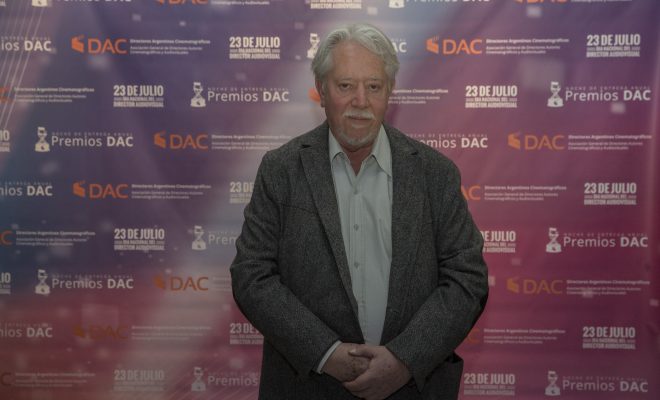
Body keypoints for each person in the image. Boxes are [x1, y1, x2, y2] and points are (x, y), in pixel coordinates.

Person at [231, 22, 488, 400]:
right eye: (346, 85)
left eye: (374, 86)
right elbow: (252, 276)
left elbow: (467, 278)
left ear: (390, 91)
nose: (361, 101)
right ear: (321, 90)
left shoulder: (435, 173)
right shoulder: (281, 170)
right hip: (308, 388)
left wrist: (404, 359)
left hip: (410, 390)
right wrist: (326, 354)